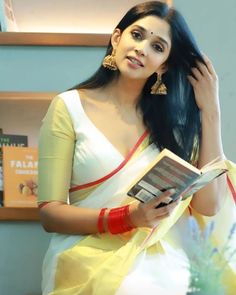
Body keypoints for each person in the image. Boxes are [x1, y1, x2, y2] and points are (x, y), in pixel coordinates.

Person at [38, 1, 236, 294]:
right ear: (117, 38)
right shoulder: (69, 107)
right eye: (137, 35)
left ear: (164, 65)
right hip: (87, 252)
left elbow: (208, 206)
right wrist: (127, 218)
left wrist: (211, 112)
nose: (142, 48)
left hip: (159, 253)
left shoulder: (173, 128)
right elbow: (50, 214)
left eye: (158, 47)